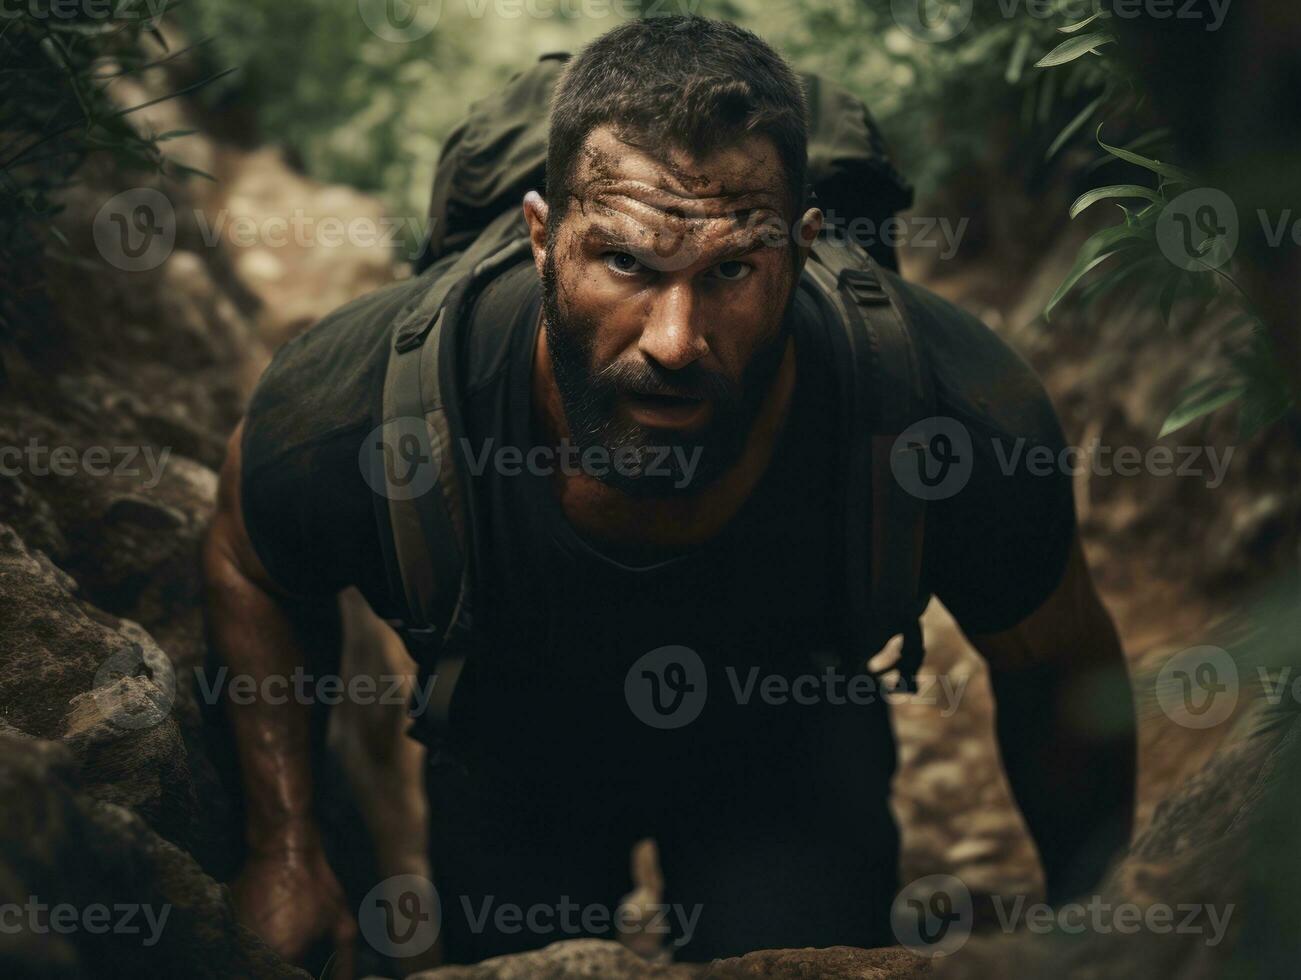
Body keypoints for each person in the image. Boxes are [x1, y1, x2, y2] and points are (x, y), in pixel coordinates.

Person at [203, 15, 1135, 971]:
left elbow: (1057, 656)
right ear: (540, 237)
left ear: (804, 248)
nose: (674, 339)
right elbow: (247, 556)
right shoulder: (369, 406)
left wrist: (1098, 919)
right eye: (625, 264)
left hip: (787, 751)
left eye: (732, 269)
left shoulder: (943, 411)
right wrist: (284, 851)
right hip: (515, 757)